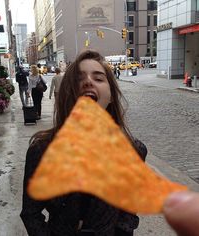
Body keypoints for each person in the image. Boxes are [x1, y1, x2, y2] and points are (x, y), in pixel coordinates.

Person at [21, 50, 147, 236]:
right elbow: (31, 213)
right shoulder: (41, 150)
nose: (88, 81)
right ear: (69, 93)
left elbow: (128, 211)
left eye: (98, 78)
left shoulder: (133, 150)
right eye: (80, 78)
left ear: (111, 95)